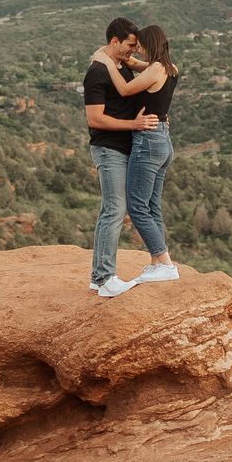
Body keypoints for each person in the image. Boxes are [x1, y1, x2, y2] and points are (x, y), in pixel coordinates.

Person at [95, 23, 179, 285]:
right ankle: (157, 264)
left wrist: (106, 62)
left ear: (150, 44)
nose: (138, 50)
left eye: (140, 45)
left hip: (148, 143)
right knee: (152, 205)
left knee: (137, 207)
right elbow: (137, 65)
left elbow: (124, 89)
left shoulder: (155, 69)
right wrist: (122, 58)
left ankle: (165, 262)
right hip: (163, 140)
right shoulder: (170, 68)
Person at [83, 17, 160, 298]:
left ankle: (98, 278)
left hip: (125, 148)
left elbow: (152, 69)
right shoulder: (97, 72)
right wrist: (134, 125)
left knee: (114, 208)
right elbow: (94, 119)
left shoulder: (120, 65)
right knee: (114, 209)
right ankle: (105, 279)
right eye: (130, 45)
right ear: (114, 41)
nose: (133, 50)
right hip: (109, 148)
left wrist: (120, 59)